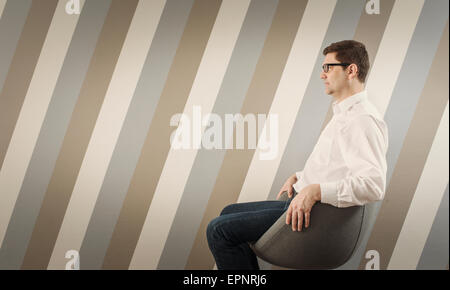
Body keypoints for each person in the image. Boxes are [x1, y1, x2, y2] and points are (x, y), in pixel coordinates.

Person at [206, 40, 389, 270]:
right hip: (302, 200)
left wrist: (314, 190)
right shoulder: (346, 113)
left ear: (351, 70)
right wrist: (300, 177)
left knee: (218, 230)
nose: (322, 75)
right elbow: (335, 166)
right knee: (227, 213)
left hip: (316, 216)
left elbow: (374, 184)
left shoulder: (361, 119)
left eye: (328, 68)